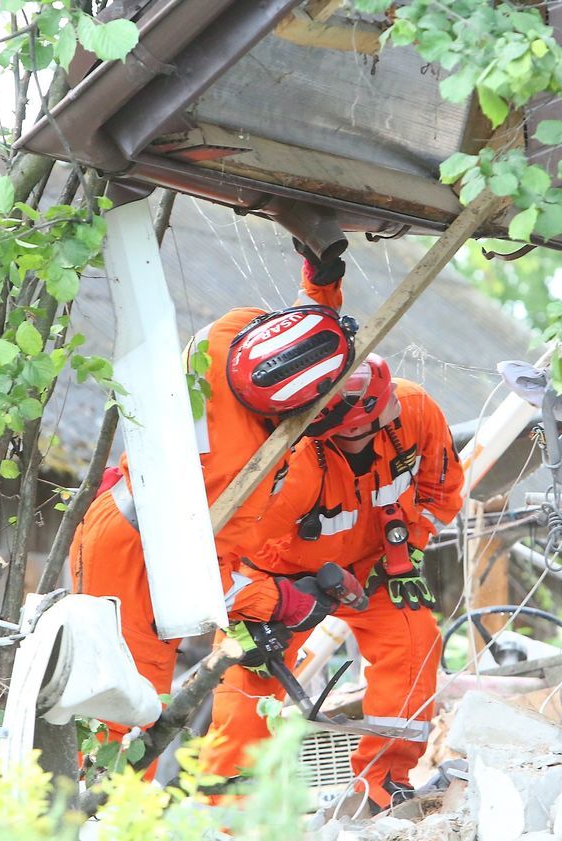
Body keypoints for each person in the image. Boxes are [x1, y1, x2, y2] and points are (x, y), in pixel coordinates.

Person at [69, 245, 355, 743]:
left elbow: (297, 337)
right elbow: (205, 581)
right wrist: (281, 602)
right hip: (142, 564)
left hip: (117, 518)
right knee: (126, 711)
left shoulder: (231, 334)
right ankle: (106, 818)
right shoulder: (241, 476)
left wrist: (321, 287)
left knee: (94, 690)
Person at [202, 355, 465, 811]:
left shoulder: (416, 412)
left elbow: (439, 492)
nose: (357, 435)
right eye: (344, 430)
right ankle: (228, 818)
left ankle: (384, 784)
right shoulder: (293, 464)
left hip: (375, 565)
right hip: (279, 578)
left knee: (413, 640)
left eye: (366, 426)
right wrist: (250, 610)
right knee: (250, 685)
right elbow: (219, 555)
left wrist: (408, 552)